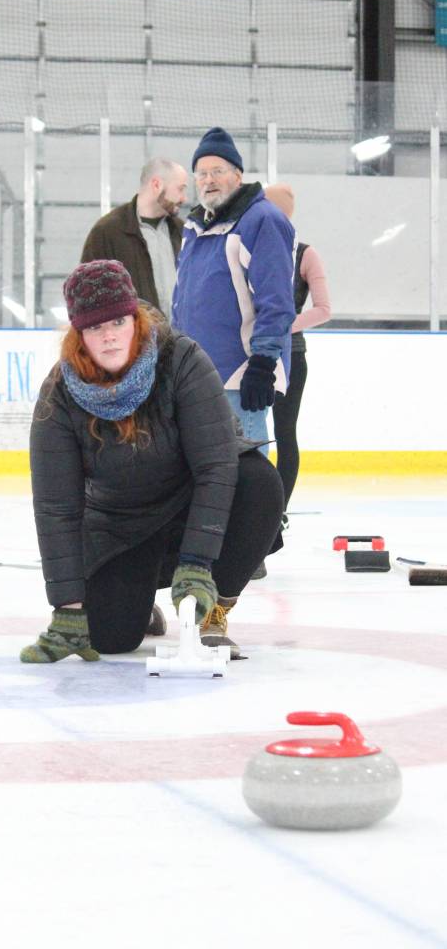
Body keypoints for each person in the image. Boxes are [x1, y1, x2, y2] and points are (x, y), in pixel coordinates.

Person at [20, 259, 284, 665]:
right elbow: (56, 507)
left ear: (135, 319)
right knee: (109, 638)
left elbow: (216, 467)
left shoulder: (181, 359)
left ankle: (214, 610)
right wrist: (68, 607)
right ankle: (139, 601)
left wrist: (197, 562)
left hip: (192, 505)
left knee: (258, 481)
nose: (108, 338)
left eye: (117, 323)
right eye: (94, 328)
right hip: (121, 524)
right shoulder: (59, 394)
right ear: (78, 335)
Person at [172, 127, 296, 450]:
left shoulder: (262, 220)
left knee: (245, 475)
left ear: (237, 176)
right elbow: (181, 298)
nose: (208, 180)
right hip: (195, 374)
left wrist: (263, 364)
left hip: (240, 375)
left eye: (218, 171)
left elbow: (277, 301)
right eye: (202, 173)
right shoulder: (195, 226)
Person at [264, 183, 332, 526]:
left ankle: (278, 511)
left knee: (284, 432)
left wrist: (285, 324)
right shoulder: (250, 249)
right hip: (248, 354)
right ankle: (256, 506)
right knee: (250, 432)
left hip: (290, 356)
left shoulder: (305, 254)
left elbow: (323, 309)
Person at [81, 158, 188, 319]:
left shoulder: (184, 232)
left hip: (182, 341)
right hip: (135, 342)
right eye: (180, 189)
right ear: (157, 185)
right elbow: (88, 295)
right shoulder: (107, 232)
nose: (184, 198)